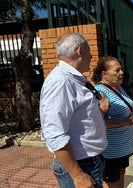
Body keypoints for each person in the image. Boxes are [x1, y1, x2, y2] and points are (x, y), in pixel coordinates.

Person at [40, 33, 108, 188]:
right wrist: (78, 175)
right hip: (81, 166)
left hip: (89, 162)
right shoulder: (61, 82)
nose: (91, 56)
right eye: (89, 51)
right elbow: (54, 134)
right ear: (80, 51)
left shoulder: (73, 79)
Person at [91, 56, 133, 188]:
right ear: (104, 74)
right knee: (111, 181)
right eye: (117, 70)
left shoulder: (117, 86)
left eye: (121, 69)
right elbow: (97, 123)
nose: (122, 73)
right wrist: (125, 122)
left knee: (121, 174)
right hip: (111, 149)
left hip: (123, 147)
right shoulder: (100, 92)